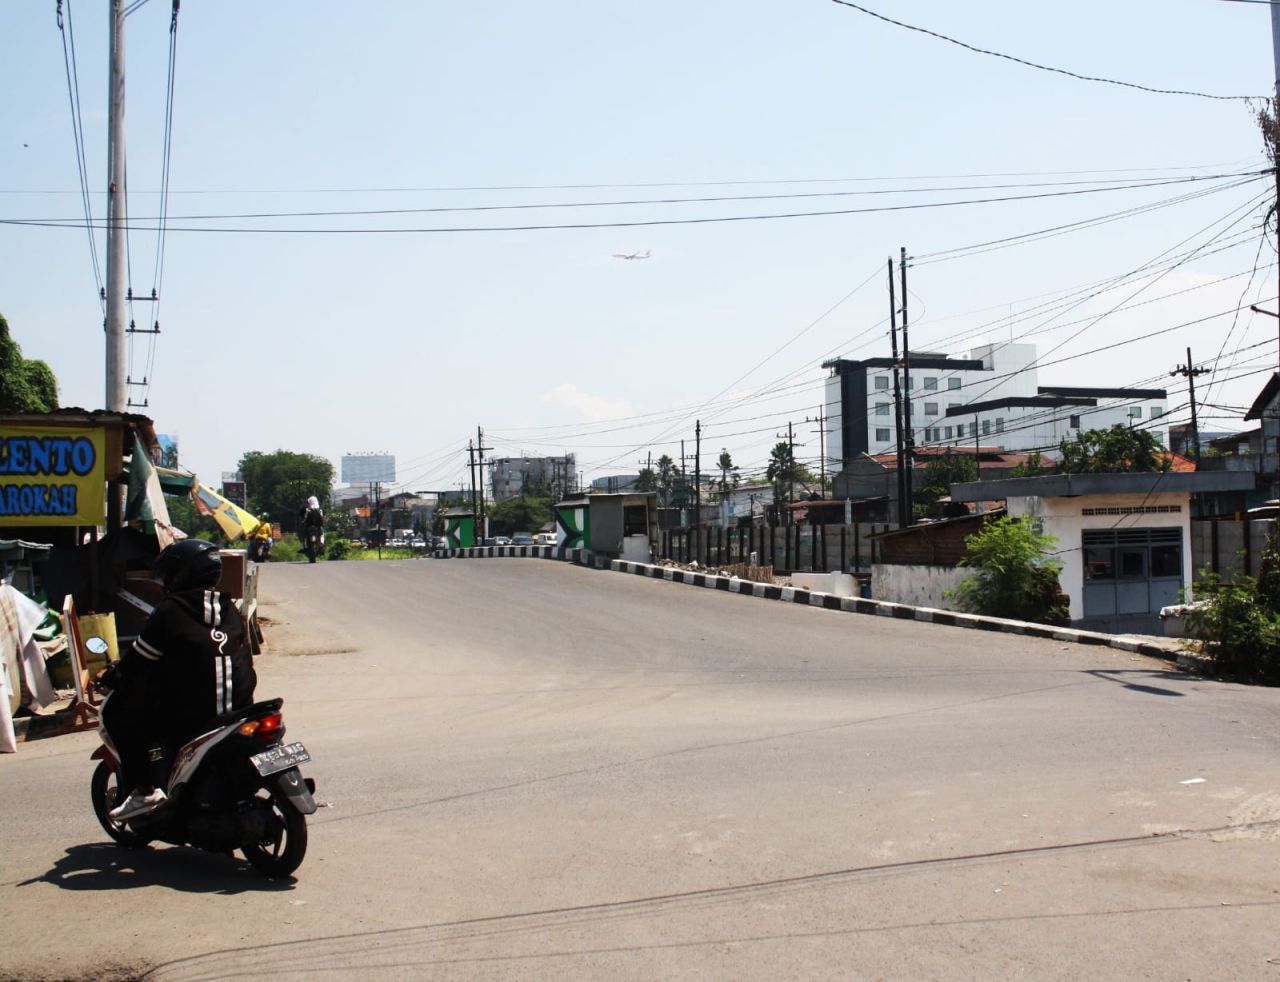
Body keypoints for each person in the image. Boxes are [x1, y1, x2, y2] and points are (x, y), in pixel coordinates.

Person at [98, 539, 257, 821]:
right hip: (240, 709)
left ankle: (145, 790)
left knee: (118, 714)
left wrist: (112, 676)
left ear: (179, 574)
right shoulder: (229, 608)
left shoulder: (170, 610)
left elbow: (136, 663)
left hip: (195, 715)